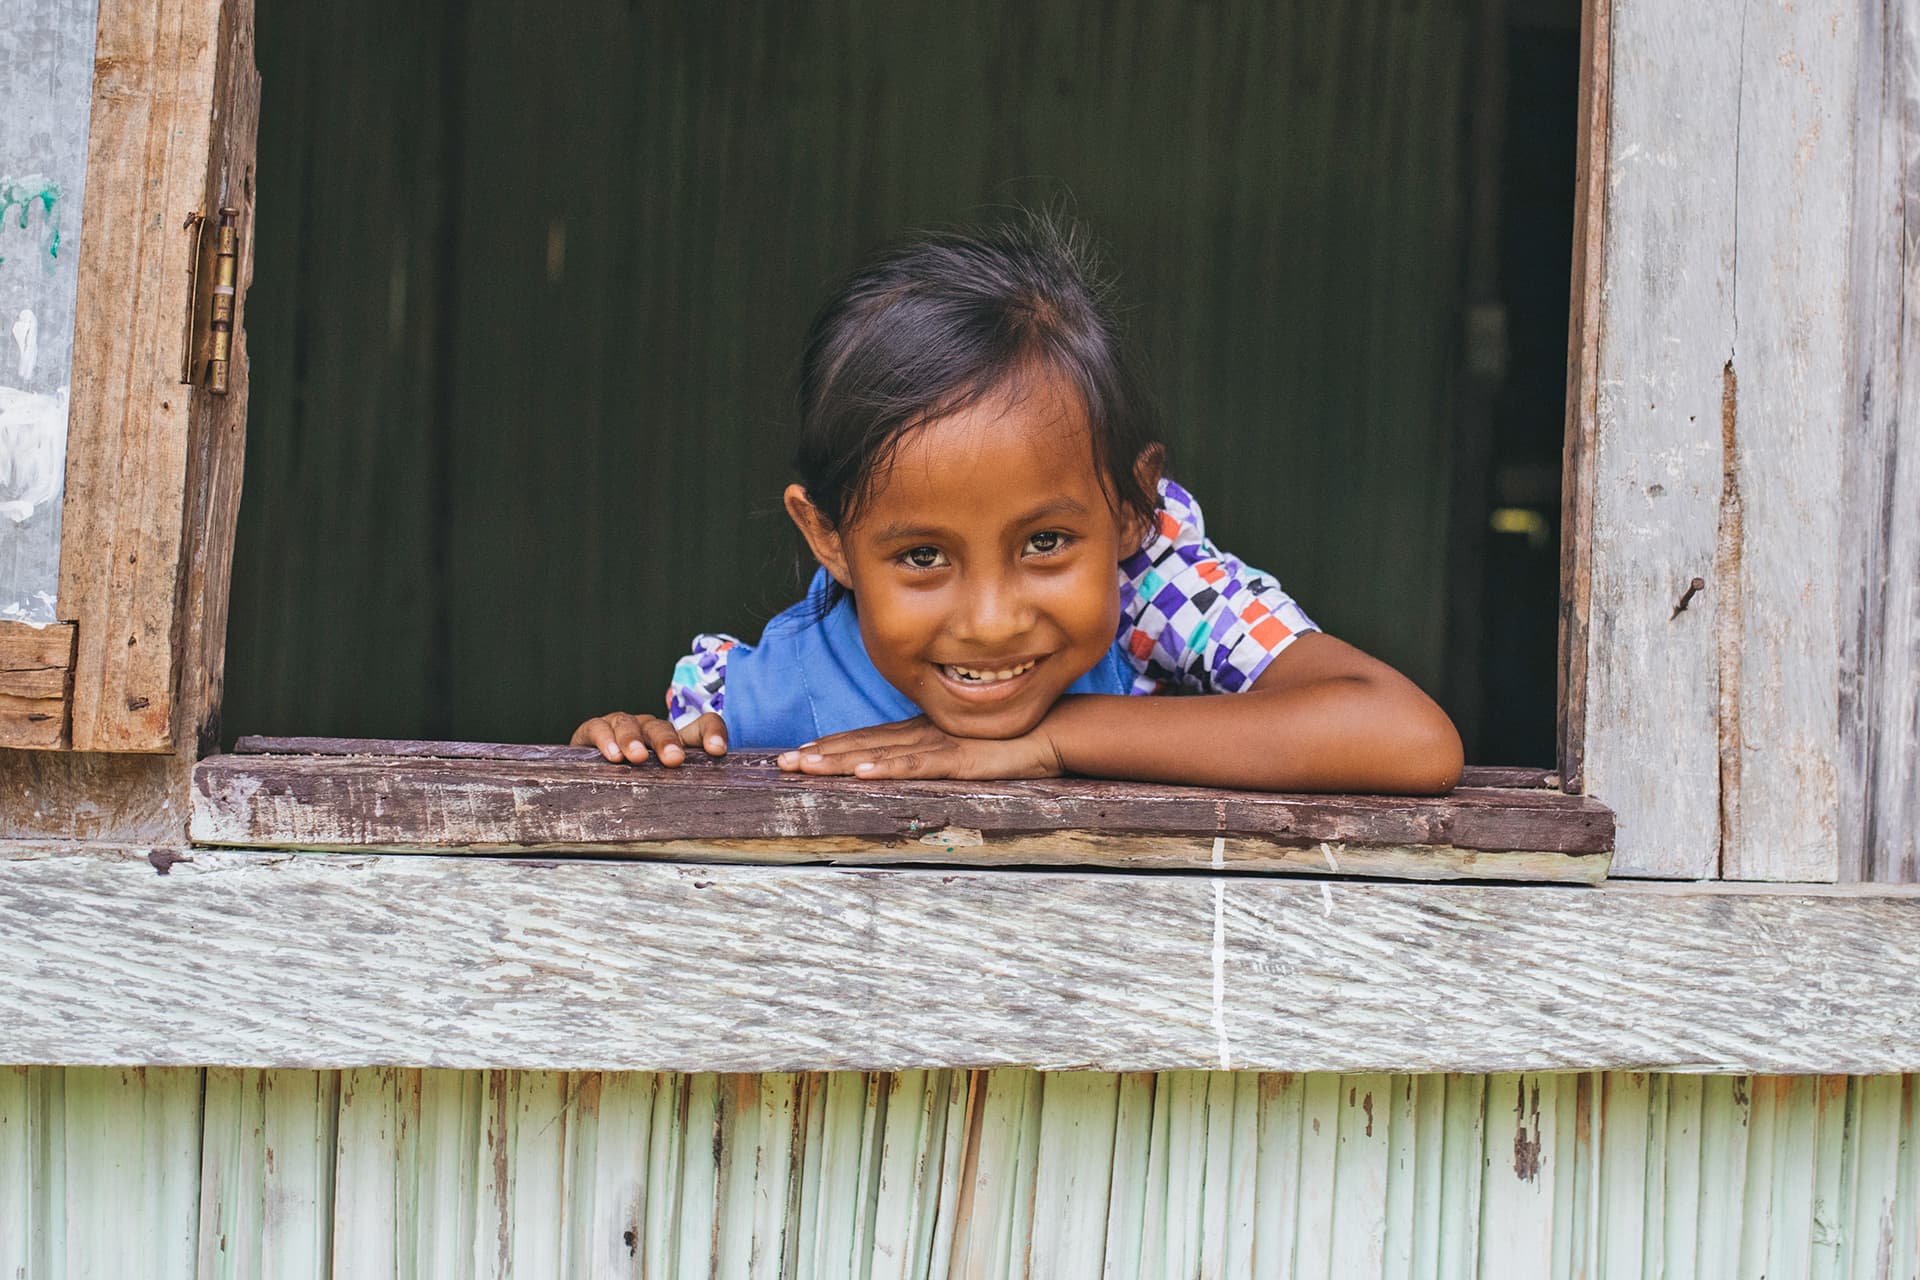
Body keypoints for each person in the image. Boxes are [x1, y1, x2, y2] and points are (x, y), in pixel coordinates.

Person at [573, 215, 1462, 793]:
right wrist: (631, 749)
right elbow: (666, 775)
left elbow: (1407, 738)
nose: (992, 621)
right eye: (922, 556)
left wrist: (1056, 739)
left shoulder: (1162, 598)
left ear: (1131, 508)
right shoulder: (756, 686)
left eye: (1044, 542)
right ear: (829, 537)